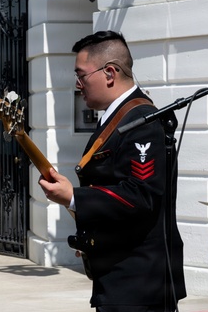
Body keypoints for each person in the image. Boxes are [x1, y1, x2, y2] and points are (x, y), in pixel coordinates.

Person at [38, 31, 186, 311]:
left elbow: (141, 196)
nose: (78, 84)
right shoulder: (118, 118)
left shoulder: (142, 121)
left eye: (81, 75)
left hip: (141, 281)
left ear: (109, 72)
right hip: (122, 274)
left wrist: (75, 197)